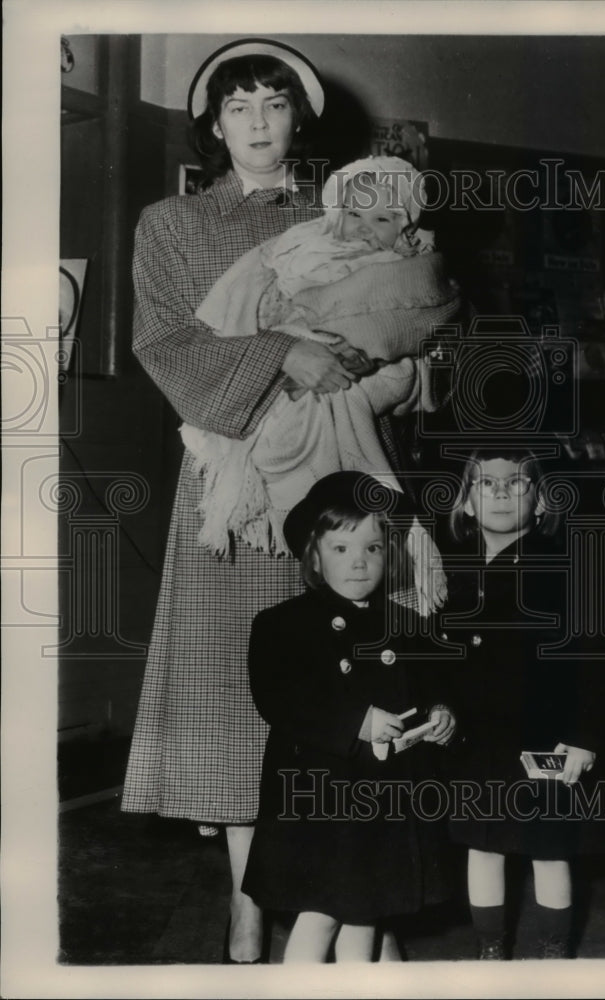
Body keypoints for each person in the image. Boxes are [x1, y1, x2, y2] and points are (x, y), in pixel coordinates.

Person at [120, 39, 382, 964]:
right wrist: (281, 352)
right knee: (235, 690)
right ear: (215, 122)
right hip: (228, 483)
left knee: (336, 681)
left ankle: (348, 904)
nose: (260, 122)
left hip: (328, 470)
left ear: (299, 118)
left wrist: (356, 357)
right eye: (241, 106)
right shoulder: (172, 224)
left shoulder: (343, 217)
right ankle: (247, 902)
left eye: (275, 103)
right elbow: (162, 343)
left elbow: (389, 326)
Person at [179, 155, 460, 570]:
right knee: (289, 436)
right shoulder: (306, 245)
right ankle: (332, 513)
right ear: (336, 213)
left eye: (382, 219)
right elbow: (273, 299)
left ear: (404, 228)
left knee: (342, 420)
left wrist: (361, 340)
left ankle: (367, 521)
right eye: (354, 213)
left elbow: (418, 307)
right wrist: (295, 335)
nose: (364, 227)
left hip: (370, 371)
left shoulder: (405, 261)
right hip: (299, 367)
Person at [243, 471, 457, 962]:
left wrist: (444, 712)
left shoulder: (405, 625)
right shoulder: (283, 624)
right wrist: (357, 720)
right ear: (314, 556)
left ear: (391, 553)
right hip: (318, 801)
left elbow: (433, 683)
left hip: (384, 803)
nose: (359, 562)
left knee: (366, 914)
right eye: (341, 549)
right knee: (320, 915)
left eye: (373, 548)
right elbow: (279, 698)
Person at [439, 448, 597, 960]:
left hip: (545, 739)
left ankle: (554, 956)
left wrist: (585, 738)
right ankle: (491, 952)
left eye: (517, 482)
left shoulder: (564, 565)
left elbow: (597, 662)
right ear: (464, 502)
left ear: (544, 499)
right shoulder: (450, 571)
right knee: (482, 846)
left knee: (549, 851)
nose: (502, 492)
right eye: (486, 483)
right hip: (476, 740)